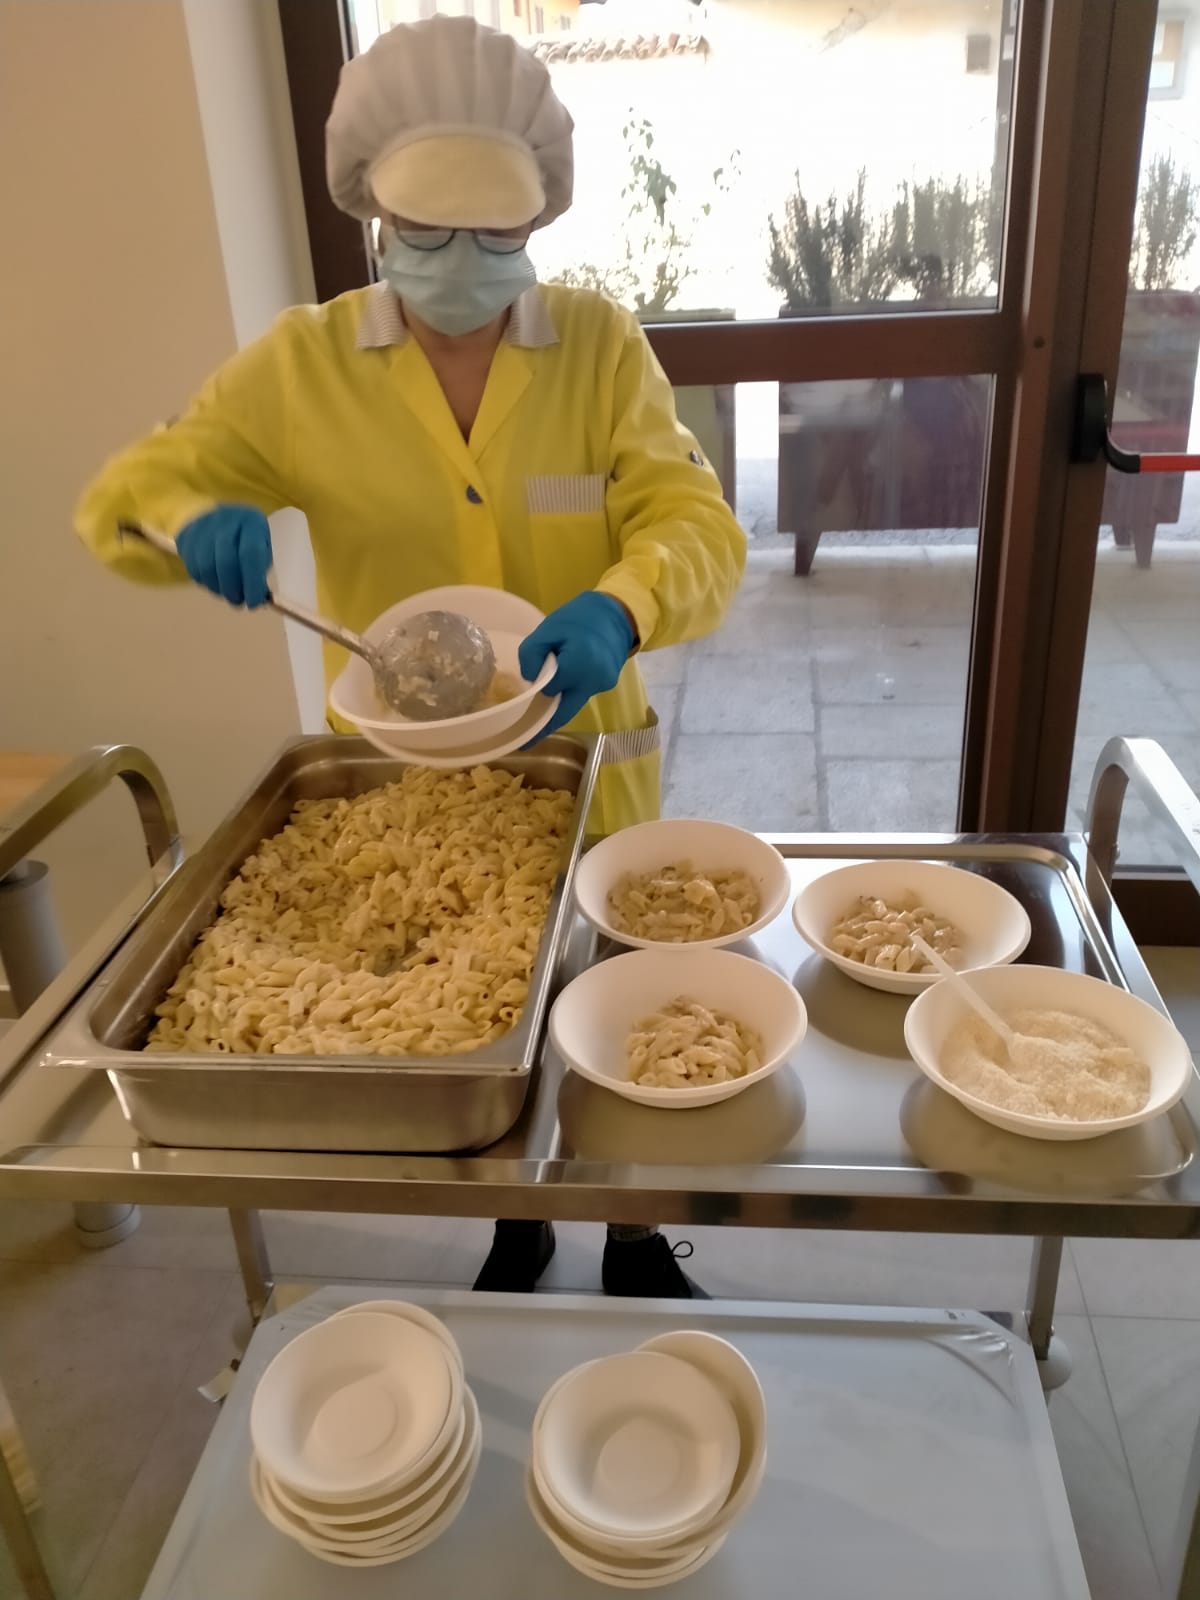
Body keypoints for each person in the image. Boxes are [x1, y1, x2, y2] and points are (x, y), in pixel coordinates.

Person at [74, 15, 745, 1298]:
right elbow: (134, 491)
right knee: (467, 1030)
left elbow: (698, 525)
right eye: (428, 231)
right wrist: (186, 518)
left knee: (613, 1016)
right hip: (415, 797)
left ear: (539, 218)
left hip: (589, 763)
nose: (461, 263)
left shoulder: (599, 347)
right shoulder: (304, 364)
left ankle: (635, 1233)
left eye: (496, 232)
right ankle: (511, 1223)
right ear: (374, 213)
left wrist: (623, 603)